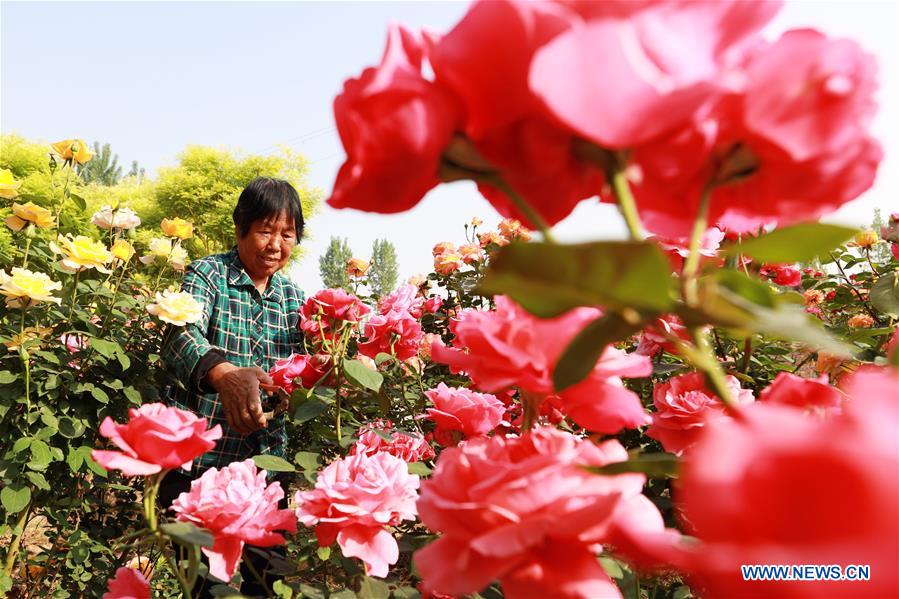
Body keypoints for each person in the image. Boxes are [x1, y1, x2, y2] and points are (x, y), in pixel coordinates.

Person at [158, 177, 305, 597]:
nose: (276, 244)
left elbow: (299, 368)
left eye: (287, 234)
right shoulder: (209, 274)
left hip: (264, 465)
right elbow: (180, 335)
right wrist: (225, 375)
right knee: (202, 583)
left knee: (266, 579)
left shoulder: (294, 297)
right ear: (240, 227)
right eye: (265, 230)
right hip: (200, 465)